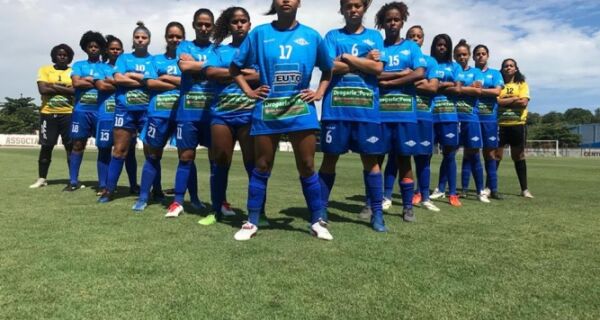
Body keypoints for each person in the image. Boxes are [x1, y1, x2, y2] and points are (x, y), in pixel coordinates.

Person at [230, 0, 333, 240]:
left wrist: (318, 92)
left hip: (300, 110)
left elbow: (328, 70)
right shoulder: (259, 34)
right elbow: (234, 69)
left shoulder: (311, 36)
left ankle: (317, 220)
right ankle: (252, 221)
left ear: (299, 2)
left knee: (307, 166)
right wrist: (249, 92)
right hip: (269, 109)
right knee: (262, 166)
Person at [318, 0, 387, 231]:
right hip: (335, 110)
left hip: (366, 112)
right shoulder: (332, 36)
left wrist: (345, 58)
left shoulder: (375, 36)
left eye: (357, 5)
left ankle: (377, 214)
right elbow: (328, 67)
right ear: (342, 9)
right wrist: (361, 61)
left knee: (371, 162)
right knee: (329, 159)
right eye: (348, 5)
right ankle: (320, 210)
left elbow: (378, 69)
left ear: (364, 9)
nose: (353, 9)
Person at [199, 6, 259, 225]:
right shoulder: (218, 50)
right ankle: (215, 211)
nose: (240, 24)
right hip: (221, 114)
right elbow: (209, 72)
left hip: (249, 113)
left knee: (252, 163)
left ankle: (257, 213)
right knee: (220, 161)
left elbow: (262, 75)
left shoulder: (258, 49)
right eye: (235, 21)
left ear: (250, 24)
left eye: (244, 20)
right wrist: (243, 75)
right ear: (229, 25)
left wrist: (230, 75)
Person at [375, 2, 425, 222]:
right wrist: (400, 75)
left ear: (402, 21)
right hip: (380, 114)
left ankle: (407, 207)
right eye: (388, 20)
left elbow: (419, 73)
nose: (392, 23)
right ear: (382, 23)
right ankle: (372, 204)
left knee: (405, 161)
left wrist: (389, 80)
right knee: (375, 160)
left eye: (396, 19)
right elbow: (374, 76)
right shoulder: (378, 47)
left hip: (405, 114)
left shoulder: (412, 47)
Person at [165, 8, 216, 218]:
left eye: (208, 24)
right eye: (199, 24)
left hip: (213, 112)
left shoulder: (219, 48)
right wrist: (211, 67)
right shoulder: (184, 45)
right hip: (187, 112)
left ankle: (219, 202)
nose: (204, 28)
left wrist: (197, 65)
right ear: (194, 25)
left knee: (217, 159)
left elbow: (223, 69)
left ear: (213, 27)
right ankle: (178, 202)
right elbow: (185, 67)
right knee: (186, 157)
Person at [98, 22, 154, 203]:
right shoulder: (124, 59)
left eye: (144, 37)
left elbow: (154, 81)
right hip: (124, 110)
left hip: (147, 111)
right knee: (119, 150)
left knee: (151, 152)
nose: (140, 40)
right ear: (133, 39)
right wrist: (143, 81)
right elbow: (118, 79)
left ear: (149, 40)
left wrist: (130, 77)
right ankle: (109, 190)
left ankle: (156, 190)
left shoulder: (154, 60)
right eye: (137, 37)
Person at [132, 22, 185, 211]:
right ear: (166, 38)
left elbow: (189, 82)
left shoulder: (187, 60)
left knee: (186, 156)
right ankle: (144, 197)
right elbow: (150, 84)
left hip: (181, 114)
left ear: (183, 38)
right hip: (158, 114)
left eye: (178, 36)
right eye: (171, 36)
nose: (175, 39)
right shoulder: (155, 60)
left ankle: (189, 198)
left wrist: (165, 78)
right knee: (153, 155)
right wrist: (176, 84)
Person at [95, 35, 139, 196]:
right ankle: (103, 185)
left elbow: (135, 85)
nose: (115, 51)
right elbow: (101, 86)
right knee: (105, 150)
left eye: (118, 48)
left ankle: (134, 185)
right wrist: (122, 82)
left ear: (122, 51)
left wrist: (114, 81)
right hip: (106, 114)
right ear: (107, 50)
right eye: (112, 48)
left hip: (127, 112)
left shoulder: (127, 66)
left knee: (129, 151)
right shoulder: (101, 68)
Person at [405, 25, 441, 212]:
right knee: (398, 158)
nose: (415, 39)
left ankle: (425, 197)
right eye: (411, 36)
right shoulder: (402, 57)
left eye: (419, 36)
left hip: (425, 115)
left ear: (423, 40)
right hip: (402, 114)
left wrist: (409, 80)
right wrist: (419, 80)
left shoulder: (430, 61)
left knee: (424, 159)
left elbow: (433, 88)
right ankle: (387, 196)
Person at [65, 31, 107, 191]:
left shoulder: (106, 67)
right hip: (81, 111)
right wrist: (97, 82)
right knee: (77, 144)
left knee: (103, 146)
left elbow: (108, 85)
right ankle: (73, 181)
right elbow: (76, 83)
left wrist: (87, 80)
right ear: (85, 48)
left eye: (96, 46)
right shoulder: (78, 65)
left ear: (101, 48)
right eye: (90, 46)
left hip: (101, 112)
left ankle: (103, 183)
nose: (93, 49)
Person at [30, 44, 75, 189]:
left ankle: (73, 179)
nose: (62, 57)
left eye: (65, 55)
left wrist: (53, 86)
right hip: (48, 114)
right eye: (59, 54)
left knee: (70, 147)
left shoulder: (73, 71)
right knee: (46, 146)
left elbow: (74, 91)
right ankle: (42, 178)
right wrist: (64, 89)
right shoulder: (45, 70)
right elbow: (43, 90)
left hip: (68, 114)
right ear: (54, 56)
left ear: (69, 57)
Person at [453, 39, 490, 203]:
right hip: (452, 117)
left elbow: (478, 91)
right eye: (459, 55)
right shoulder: (452, 70)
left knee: (474, 154)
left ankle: (480, 191)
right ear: (454, 56)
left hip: (471, 118)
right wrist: (467, 88)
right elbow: (448, 88)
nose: (462, 57)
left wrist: (459, 88)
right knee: (450, 153)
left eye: (464, 54)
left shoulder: (476, 72)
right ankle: (457, 191)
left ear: (469, 56)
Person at [428, 34, 463, 207]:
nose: (441, 48)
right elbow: (426, 87)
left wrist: (439, 85)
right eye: (438, 45)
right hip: (430, 115)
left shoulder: (454, 66)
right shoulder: (428, 63)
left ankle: (452, 193)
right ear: (433, 46)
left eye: (444, 45)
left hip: (449, 115)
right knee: (425, 155)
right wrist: (445, 85)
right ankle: (421, 192)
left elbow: (458, 89)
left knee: (449, 155)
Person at [496, 58, 533, 198]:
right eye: (506, 66)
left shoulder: (521, 84)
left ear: (516, 69)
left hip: (518, 125)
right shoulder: (498, 84)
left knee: (518, 156)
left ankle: (524, 190)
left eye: (511, 66)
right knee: (496, 156)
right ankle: (489, 187)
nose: (508, 68)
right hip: (500, 125)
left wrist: (505, 101)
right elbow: (496, 102)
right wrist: (513, 99)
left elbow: (523, 103)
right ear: (502, 69)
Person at [473, 44, 504, 200]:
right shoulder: (470, 73)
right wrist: (488, 91)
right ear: (473, 57)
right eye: (477, 54)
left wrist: (478, 90)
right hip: (472, 117)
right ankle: (466, 188)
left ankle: (493, 188)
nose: (480, 56)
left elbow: (497, 91)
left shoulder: (495, 73)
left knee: (490, 153)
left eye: (483, 53)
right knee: (470, 152)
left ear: (488, 55)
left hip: (490, 119)